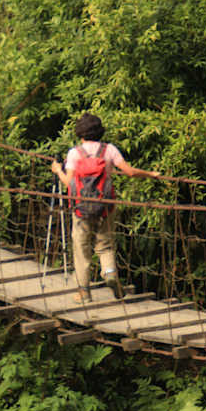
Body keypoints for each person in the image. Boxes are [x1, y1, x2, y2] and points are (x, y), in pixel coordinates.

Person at [51, 113, 159, 303]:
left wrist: (58, 170)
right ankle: (109, 274)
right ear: (100, 131)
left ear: (80, 132)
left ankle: (84, 293)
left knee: (81, 248)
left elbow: (69, 182)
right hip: (105, 206)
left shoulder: (74, 153)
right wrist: (151, 174)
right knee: (106, 245)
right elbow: (130, 172)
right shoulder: (109, 150)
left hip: (80, 209)